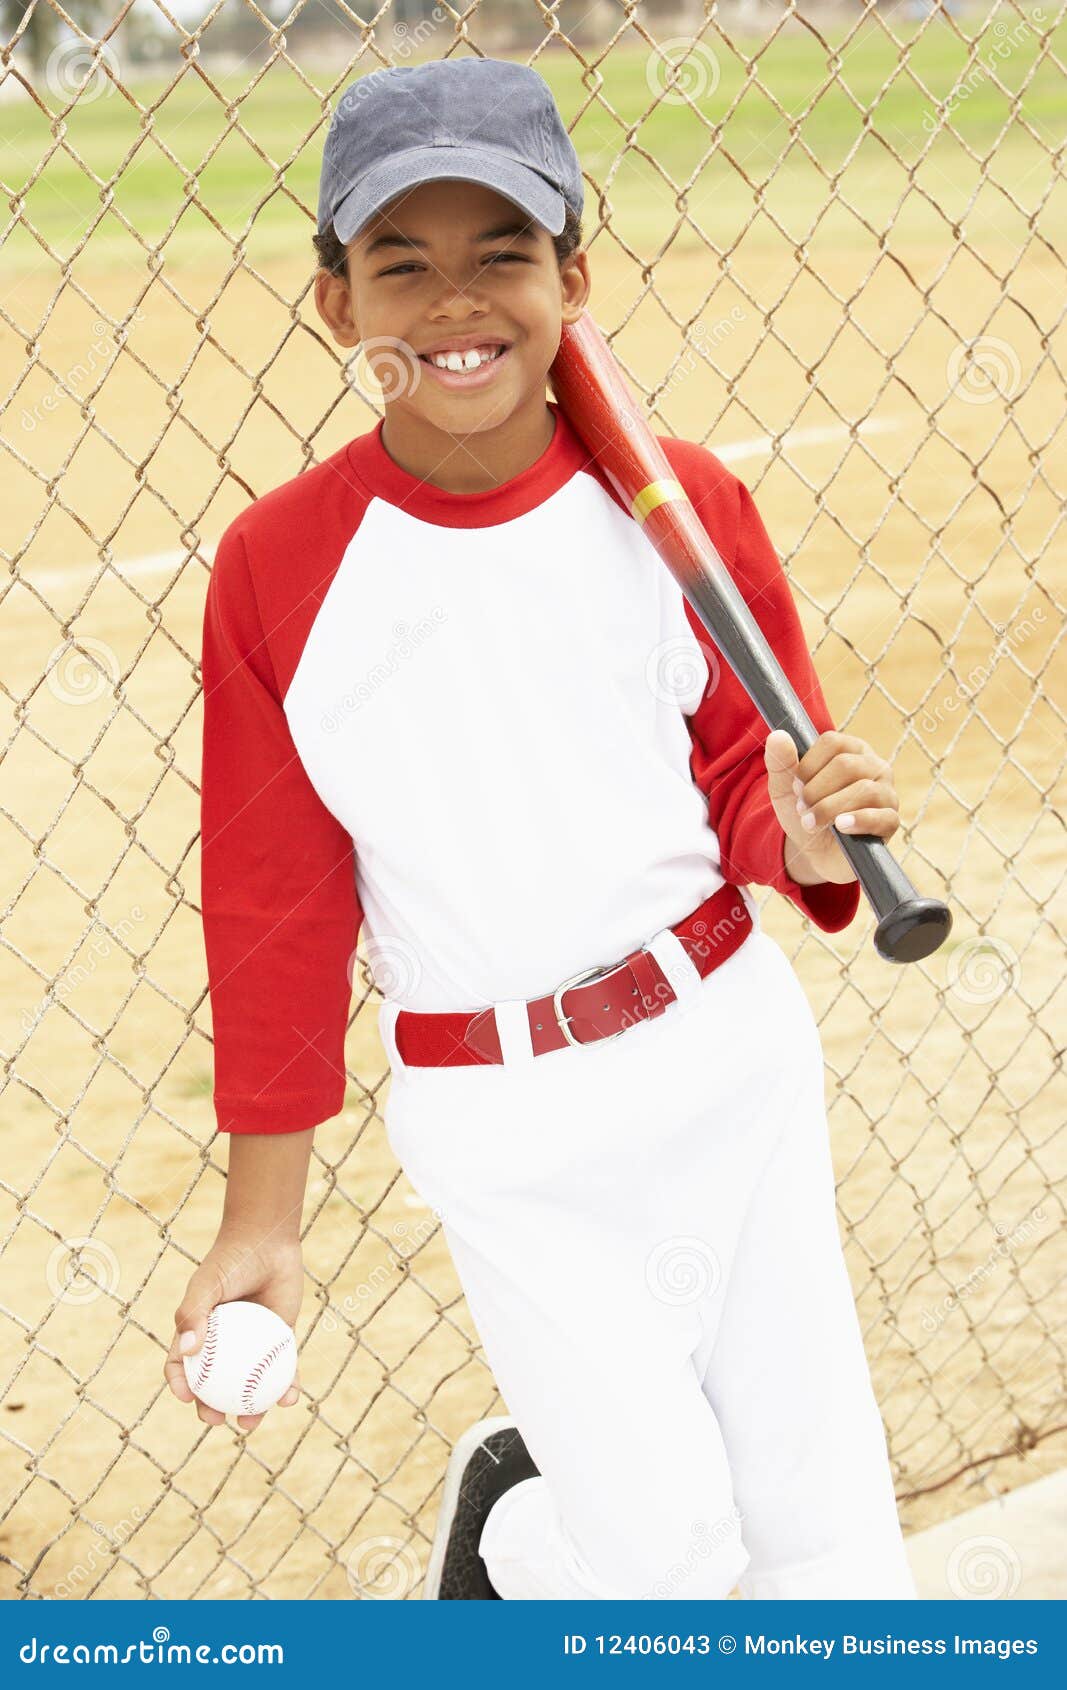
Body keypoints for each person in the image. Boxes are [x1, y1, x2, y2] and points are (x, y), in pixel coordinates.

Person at [165, 57, 916, 1602]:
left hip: (725, 1058)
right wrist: (266, 1218)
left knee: (827, 1538)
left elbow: (749, 787)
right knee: (665, 1556)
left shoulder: (678, 508)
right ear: (336, 303)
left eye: (502, 254)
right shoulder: (283, 568)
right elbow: (274, 904)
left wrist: (811, 843)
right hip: (503, 1120)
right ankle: (526, 1536)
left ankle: (564, 1530)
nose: (456, 303)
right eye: (402, 264)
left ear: (574, 273)